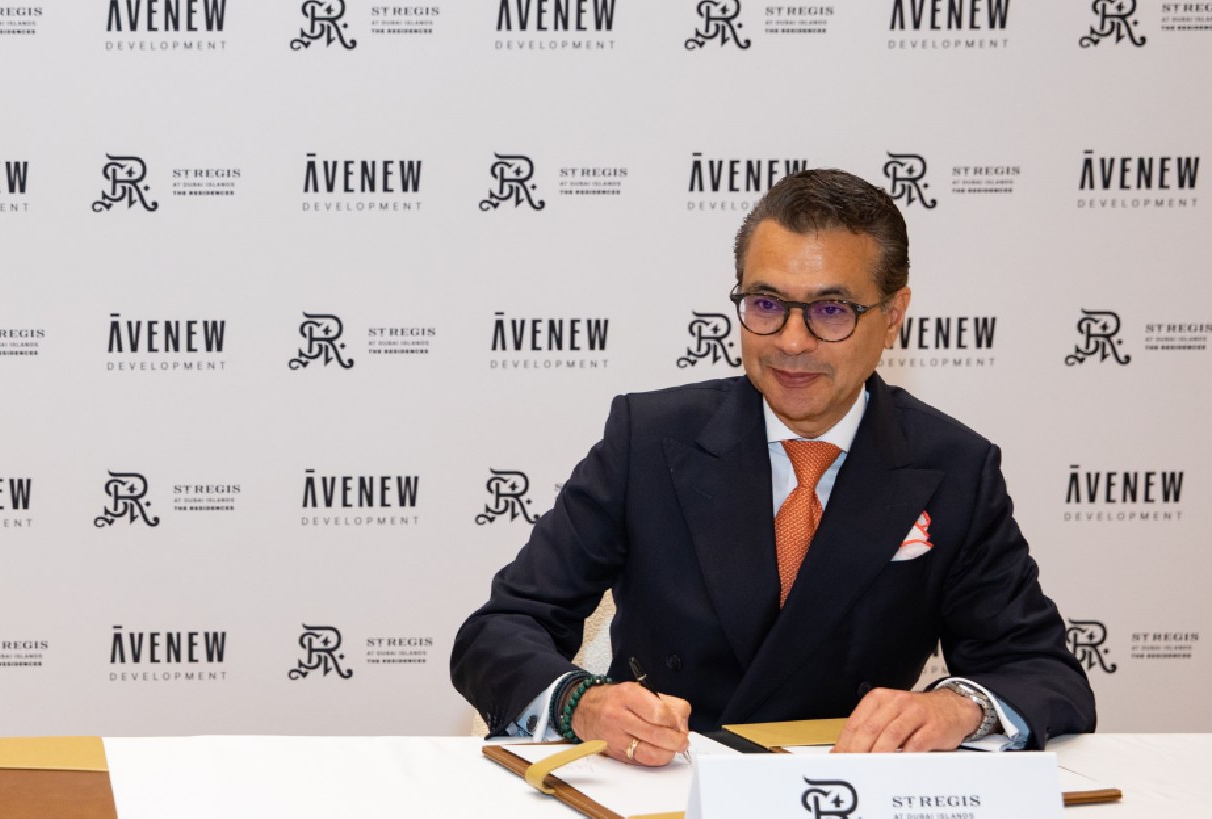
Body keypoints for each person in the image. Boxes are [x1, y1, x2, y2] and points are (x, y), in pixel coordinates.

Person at [451, 168, 1093, 764]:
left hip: (845, 804)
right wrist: (580, 704)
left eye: (831, 310)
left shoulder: (953, 466)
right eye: (765, 304)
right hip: (664, 788)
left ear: (894, 316)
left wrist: (960, 708)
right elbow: (500, 632)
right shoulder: (648, 440)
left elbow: (1041, 670)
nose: (791, 340)